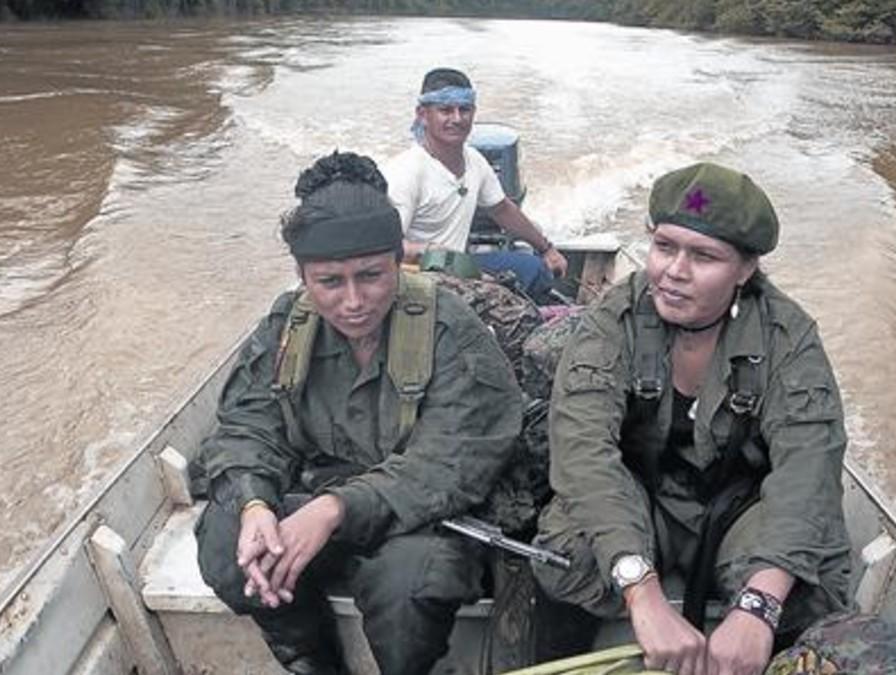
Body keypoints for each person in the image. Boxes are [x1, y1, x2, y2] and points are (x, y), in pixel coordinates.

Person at [190, 151, 523, 674]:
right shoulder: (286, 327)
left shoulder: (450, 330)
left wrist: (334, 509)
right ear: (303, 277)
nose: (353, 301)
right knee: (226, 544)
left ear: (399, 261)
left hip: (419, 515)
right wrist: (256, 505)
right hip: (319, 492)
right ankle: (313, 660)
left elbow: (449, 463)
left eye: (371, 275)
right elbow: (247, 426)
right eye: (329, 282)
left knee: (412, 586)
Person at [531, 163, 853, 674]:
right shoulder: (611, 324)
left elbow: (808, 472)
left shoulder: (788, 338)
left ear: (745, 269)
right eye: (664, 247)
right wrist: (641, 591)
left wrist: (758, 608)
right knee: (566, 550)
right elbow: (583, 455)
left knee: (811, 583)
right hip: (640, 502)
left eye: (703, 256)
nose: (674, 271)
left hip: (741, 511)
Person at [383, 67, 568, 301]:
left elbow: (502, 209)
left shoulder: (475, 161)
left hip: (461, 270)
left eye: (465, 110)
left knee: (535, 270)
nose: (457, 119)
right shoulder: (406, 172)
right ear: (422, 114)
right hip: (418, 280)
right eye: (445, 110)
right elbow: (386, 247)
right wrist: (433, 253)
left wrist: (546, 249)